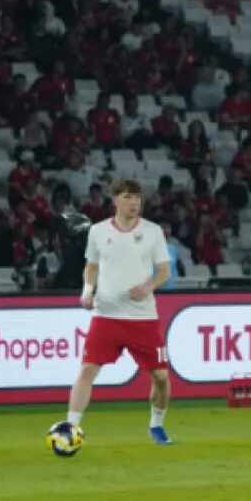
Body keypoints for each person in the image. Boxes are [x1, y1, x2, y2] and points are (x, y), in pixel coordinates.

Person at [66, 179, 174, 445]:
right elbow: (91, 266)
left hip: (143, 318)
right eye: (128, 197)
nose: (134, 203)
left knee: (160, 377)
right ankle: (70, 427)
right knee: (87, 370)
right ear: (115, 200)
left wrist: (148, 286)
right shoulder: (98, 231)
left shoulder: (153, 231)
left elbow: (163, 271)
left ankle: (156, 425)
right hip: (106, 316)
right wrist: (87, 291)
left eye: (137, 198)